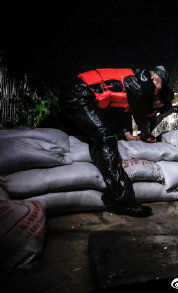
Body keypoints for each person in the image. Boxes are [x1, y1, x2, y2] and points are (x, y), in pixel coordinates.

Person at [61, 66, 170, 216]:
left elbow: (122, 111)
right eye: (159, 88)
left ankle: (114, 194)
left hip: (82, 96)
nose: (157, 91)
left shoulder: (133, 83)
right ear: (153, 80)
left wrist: (126, 133)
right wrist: (147, 137)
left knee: (101, 134)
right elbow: (141, 115)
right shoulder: (139, 84)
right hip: (78, 97)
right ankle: (122, 201)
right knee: (105, 136)